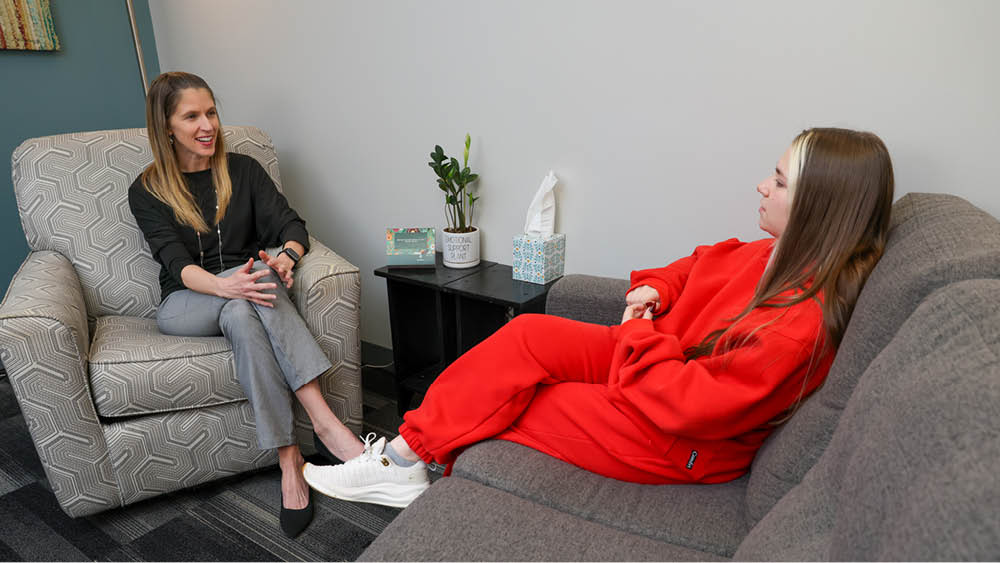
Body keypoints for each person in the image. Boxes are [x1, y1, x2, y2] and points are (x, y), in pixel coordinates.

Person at [302, 127, 895, 508]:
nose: (761, 185)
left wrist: (638, 331)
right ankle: (404, 459)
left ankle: (402, 461)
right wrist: (654, 294)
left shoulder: (799, 326)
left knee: (522, 402)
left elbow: (687, 402)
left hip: (674, 435)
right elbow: (694, 265)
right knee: (528, 335)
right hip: (647, 363)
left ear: (817, 205)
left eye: (781, 180)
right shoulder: (770, 255)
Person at [128, 71, 365, 538]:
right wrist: (228, 285)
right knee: (247, 287)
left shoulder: (243, 171)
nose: (207, 125)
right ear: (166, 127)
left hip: (246, 296)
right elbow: (177, 266)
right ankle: (325, 422)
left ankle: (289, 462)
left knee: (252, 289)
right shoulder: (148, 189)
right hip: (186, 301)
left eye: (211, 112)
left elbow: (292, 228)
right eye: (191, 116)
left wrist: (286, 260)